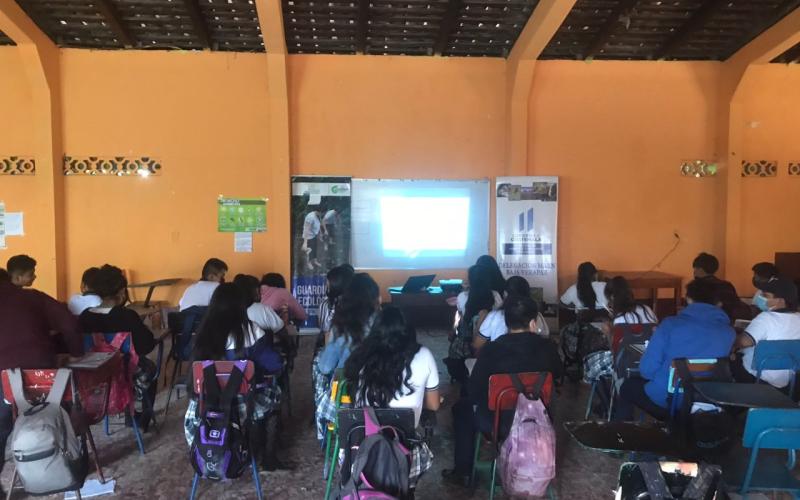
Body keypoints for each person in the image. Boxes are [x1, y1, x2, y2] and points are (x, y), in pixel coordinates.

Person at [443, 295, 563, 485]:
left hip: (497, 422)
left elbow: (474, 390)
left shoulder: (492, 350)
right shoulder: (548, 347)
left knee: (461, 409)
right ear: (533, 323)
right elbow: (558, 375)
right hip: (538, 419)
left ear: (506, 323)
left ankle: (463, 471)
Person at [185, 283, 285, 469]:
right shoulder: (252, 331)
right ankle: (269, 456)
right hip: (243, 408)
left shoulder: (203, 334)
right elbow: (275, 364)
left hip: (203, 409)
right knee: (276, 391)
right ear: (241, 307)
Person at [344, 307, 439, 488]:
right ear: (409, 331)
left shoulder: (360, 356)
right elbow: (433, 405)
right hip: (404, 455)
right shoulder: (423, 355)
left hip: (360, 454)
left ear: (375, 331)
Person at [615, 280, 735, 421]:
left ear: (689, 299)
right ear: (718, 303)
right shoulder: (729, 332)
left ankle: (621, 435)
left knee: (626, 386)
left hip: (667, 401)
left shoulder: (670, 325)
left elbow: (647, 371)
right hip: (708, 402)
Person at [79, 265, 158, 429]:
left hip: (94, 376)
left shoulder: (85, 316)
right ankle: (141, 418)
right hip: (125, 374)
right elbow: (147, 346)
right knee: (150, 368)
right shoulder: (127, 316)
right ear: (122, 292)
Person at [313, 273, 380, 440]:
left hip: (347, 396)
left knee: (318, 368)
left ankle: (326, 427)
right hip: (380, 392)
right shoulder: (382, 322)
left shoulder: (341, 325)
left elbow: (325, 367)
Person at [732, 276, 800, 390]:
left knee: (730, 360)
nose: (760, 298)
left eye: (765, 295)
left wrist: (734, 340)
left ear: (780, 300)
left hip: (757, 376)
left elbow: (744, 342)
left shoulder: (766, 318)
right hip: (789, 380)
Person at [474, 276, 549, 354]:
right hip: (530, 362)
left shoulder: (495, 316)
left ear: (505, 294)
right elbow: (545, 341)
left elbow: (477, 345)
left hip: (500, 362)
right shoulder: (537, 315)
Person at [692, 252, 751, 323]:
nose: (694, 272)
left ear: (700, 269)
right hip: (728, 322)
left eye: (695, 269)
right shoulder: (727, 285)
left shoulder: (696, 287)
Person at [318, 265, 356, 346]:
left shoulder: (327, 304)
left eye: (328, 281)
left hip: (335, 347)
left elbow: (326, 333)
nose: (326, 284)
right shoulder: (360, 301)